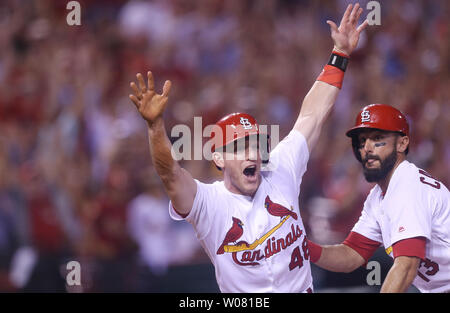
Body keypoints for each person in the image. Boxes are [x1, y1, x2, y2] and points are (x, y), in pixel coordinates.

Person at [128, 4, 368, 292]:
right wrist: (155, 127)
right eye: (239, 147)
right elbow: (169, 175)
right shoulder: (208, 203)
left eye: (255, 144)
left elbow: (312, 115)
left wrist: (339, 55)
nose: (251, 153)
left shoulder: (281, 168)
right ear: (218, 158)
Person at [307, 103, 450, 293]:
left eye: (377, 139)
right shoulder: (378, 196)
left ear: (402, 143)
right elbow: (351, 255)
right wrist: (303, 247)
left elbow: (406, 266)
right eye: (362, 140)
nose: (367, 147)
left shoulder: (408, 186)